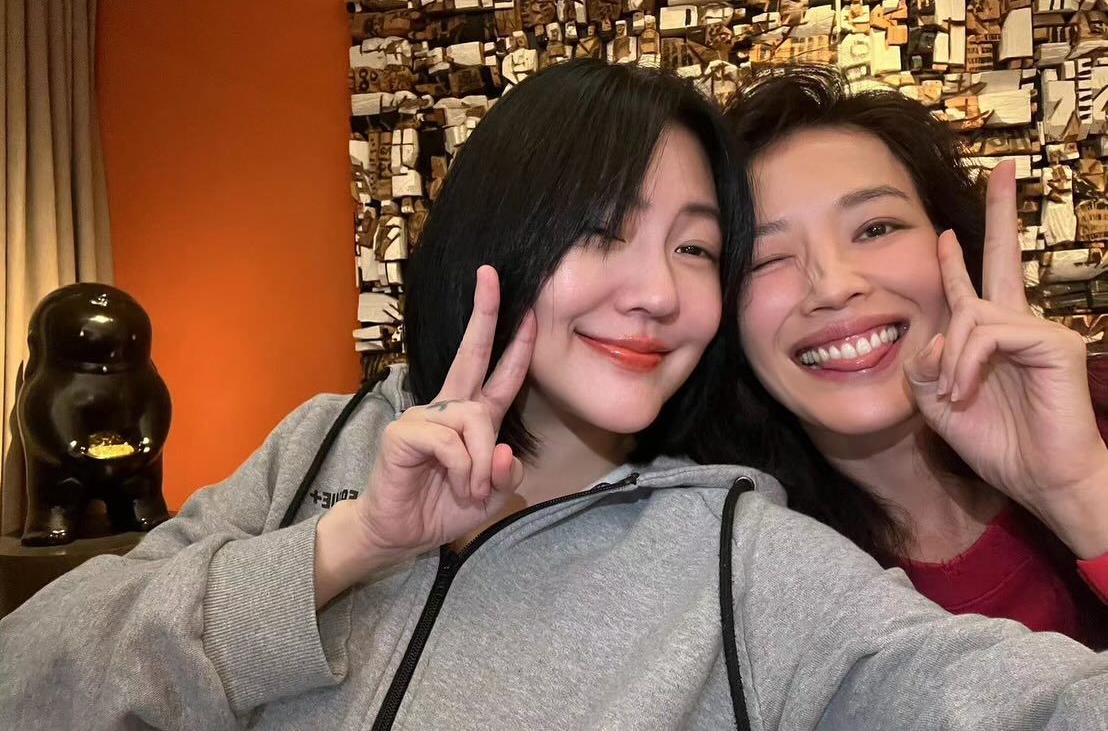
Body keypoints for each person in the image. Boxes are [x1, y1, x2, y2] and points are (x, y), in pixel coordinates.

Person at [1, 59, 1105, 731]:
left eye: (696, 248)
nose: (658, 292)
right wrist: (347, 547)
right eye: (600, 230)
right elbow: (28, 682)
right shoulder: (323, 446)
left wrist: (1085, 493)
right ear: (501, 233)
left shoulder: (742, 554)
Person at [720, 64, 1108, 648]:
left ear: (951, 243)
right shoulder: (740, 580)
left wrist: (1079, 491)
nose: (833, 286)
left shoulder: (1092, 424)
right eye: (765, 259)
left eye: (876, 229)